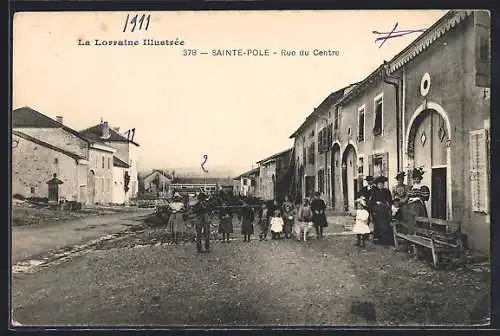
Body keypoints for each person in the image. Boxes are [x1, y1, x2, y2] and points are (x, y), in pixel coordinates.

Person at [405, 167, 430, 234]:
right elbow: (408, 196)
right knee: (412, 222)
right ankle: (413, 238)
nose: (416, 180)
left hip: (420, 207)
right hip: (411, 208)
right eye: (414, 179)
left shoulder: (423, 187)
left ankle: (422, 237)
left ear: (420, 179)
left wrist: (417, 198)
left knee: (421, 222)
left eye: (417, 179)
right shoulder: (411, 187)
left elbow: (426, 198)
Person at [370, 176, 393, 245]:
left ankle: (386, 240)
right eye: (379, 184)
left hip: (385, 210)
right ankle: (378, 239)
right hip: (377, 211)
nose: (381, 185)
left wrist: (387, 204)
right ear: (377, 185)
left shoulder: (387, 191)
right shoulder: (374, 191)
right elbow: (371, 202)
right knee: (378, 224)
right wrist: (376, 203)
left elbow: (390, 200)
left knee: (386, 224)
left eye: (382, 184)